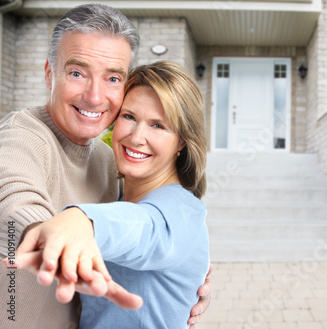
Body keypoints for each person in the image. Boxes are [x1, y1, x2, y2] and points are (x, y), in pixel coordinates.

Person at [0, 4, 210, 328]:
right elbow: (12, 197)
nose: (95, 96)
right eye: (77, 73)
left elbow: (144, 226)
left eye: (112, 78)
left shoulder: (106, 159)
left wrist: (183, 279)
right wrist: (48, 233)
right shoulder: (22, 136)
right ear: (48, 73)